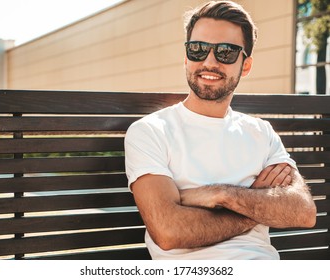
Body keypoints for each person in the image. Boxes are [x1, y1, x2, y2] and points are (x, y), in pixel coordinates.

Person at [124, 0, 316, 260]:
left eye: (225, 52)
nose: (209, 62)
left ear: (245, 65)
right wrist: (256, 201)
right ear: (186, 57)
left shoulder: (261, 132)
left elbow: (302, 211)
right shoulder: (150, 132)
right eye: (198, 49)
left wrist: (220, 194)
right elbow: (169, 232)